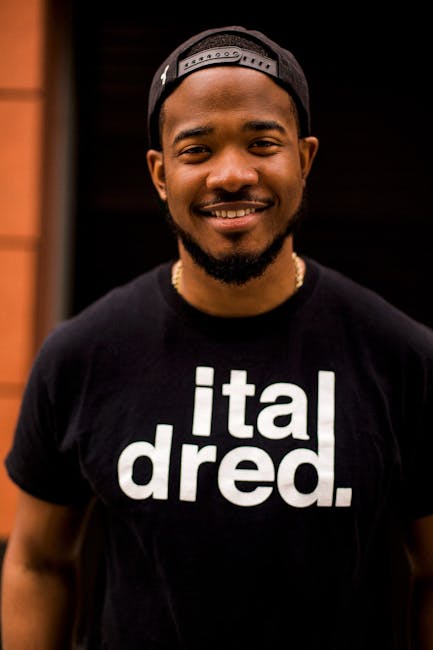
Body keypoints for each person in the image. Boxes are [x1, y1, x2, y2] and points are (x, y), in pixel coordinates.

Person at [1, 24, 433, 650]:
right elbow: (37, 563)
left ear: (305, 159)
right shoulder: (82, 356)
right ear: (159, 172)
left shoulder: (404, 359)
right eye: (196, 150)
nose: (231, 175)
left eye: (262, 143)